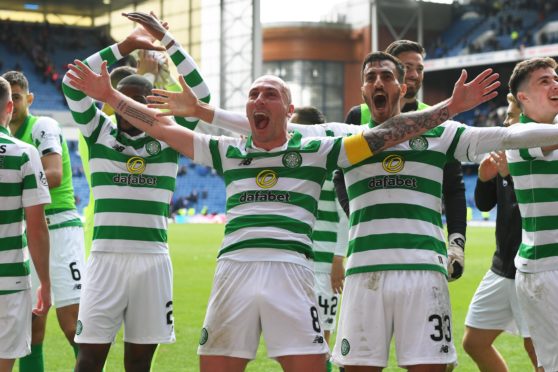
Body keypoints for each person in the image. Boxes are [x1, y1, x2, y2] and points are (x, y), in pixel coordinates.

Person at [64, 14, 499, 369]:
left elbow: (387, 134)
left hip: (292, 270)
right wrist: (108, 94)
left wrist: (448, 109)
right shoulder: (229, 151)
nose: (257, 99)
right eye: (252, 94)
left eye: (269, 94)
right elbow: (162, 123)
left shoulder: (318, 148)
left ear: (289, 111)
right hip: (232, 269)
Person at [192, 50, 558, 370]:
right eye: (370, 77)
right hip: (364, 277)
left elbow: (509, 136)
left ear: (402, 88)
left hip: (423, 274)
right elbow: (274, 127)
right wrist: (203, 111)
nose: (378, 82)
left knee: (430, 368)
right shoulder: (342, 137)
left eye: (387, 76)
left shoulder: (443, 133)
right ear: (364, 93)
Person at [61, 13, 210, 372]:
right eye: (122, 101)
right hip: (105, 259)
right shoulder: (99, 134)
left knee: (140, 363)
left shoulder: (169, 138)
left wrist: (169, 44)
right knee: (89, 359)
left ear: (151, 103)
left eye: (138, 100)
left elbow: (202, 96)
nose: (128, 110)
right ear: (112, 103)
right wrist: (125, 46)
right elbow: (71, 83)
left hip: (152, 261)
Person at [343, 40, 467, 281]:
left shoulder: (436, 118)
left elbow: (454, 186)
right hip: (371, 251)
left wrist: (457, 243)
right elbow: (341, 175)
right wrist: (358, 216)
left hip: (421, 249)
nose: (414, 75)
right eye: (407, 67)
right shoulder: (359, 116)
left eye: (419, 69)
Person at [2, 70, 85, 372]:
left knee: (72, 323)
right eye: (9, 97)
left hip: (59, 228)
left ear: (29, 99)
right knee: (31, 327)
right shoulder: (7, 139)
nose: (13, 102)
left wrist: (12, 185)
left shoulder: (43, 126)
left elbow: (54, 173)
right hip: (30, 231)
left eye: (18, 96)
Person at [462, 93, 541, 372]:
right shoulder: (505, 154)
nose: (505, 121)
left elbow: (535, 213)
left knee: (537, 351)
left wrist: (510, 175)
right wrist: (485, 178)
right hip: (501, 268)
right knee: (474, 342)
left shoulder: (540, 157)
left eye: (510, 114)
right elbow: (484, 204)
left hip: (531, 270)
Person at [507, 56, 558, 372]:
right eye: (545, 81)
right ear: (522, 98)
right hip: (545, 270)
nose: (555, 84)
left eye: (556, 78)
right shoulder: (519, 136)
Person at [290, 106, 348, 372]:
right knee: (299, 336)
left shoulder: (333, 167)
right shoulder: (297, 165)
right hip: (298, 263)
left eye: (295, 126)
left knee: (321, 336)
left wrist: (338, 259)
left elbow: (345, 216)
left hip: (325, 265)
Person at [0, 76, 51, 372]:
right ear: (9, 106)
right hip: (11, 281)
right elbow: (36, 226)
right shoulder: (24, 153)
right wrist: (45, 282)